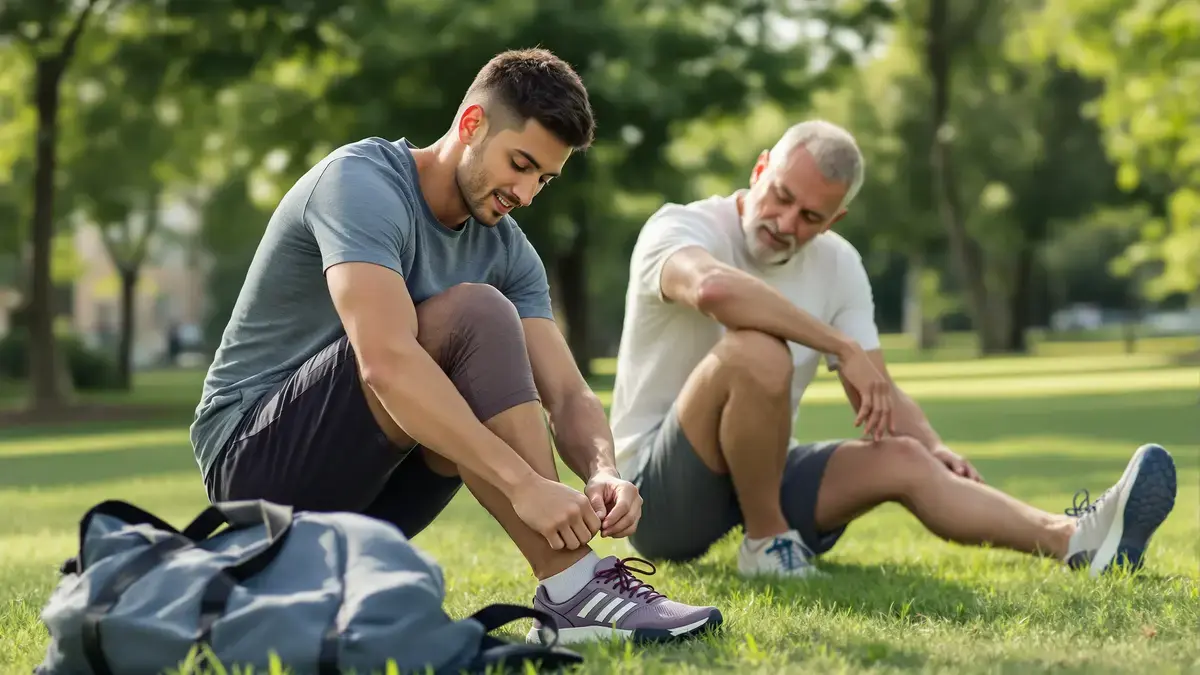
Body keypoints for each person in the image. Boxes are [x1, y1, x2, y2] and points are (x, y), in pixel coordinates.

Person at [189, 48, 722, 645]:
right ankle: (573, 587)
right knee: (476, 315)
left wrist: (604, 471)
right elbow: (386, 363)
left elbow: (568, 393)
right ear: (472, 124)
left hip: (364, 494)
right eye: (520, 164)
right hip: (254, 470)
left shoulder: (508, 251)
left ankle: (566, 588)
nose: (526, 193)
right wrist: (523, 484)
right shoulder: (359, 184)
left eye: (543, 179)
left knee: (482, 334)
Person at [608, 119, 1178, 579]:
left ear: (834, 220)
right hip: (655, 497)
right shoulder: (680, 228)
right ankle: (767, 543)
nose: (785, 222)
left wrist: (933, 447)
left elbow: (876, 390)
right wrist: (837, 344)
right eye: (780, 195)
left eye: (810, 217)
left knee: (904, 456)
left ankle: (1077, 541)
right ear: (760, 170)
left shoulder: (839, 264)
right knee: (758, 350)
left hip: (761, 472)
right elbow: (712, 290)